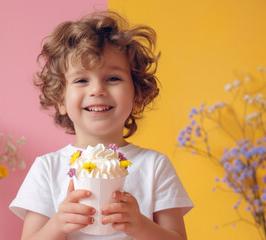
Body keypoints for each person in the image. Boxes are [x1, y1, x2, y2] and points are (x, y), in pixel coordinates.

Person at [10, 10, 193, 240]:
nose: (97, 90)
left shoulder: (155, 167)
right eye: (81, 80)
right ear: (60, 100)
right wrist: (57, 225)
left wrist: (140, 226)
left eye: (113, 78)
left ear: (137, 95)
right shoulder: (47, 169)